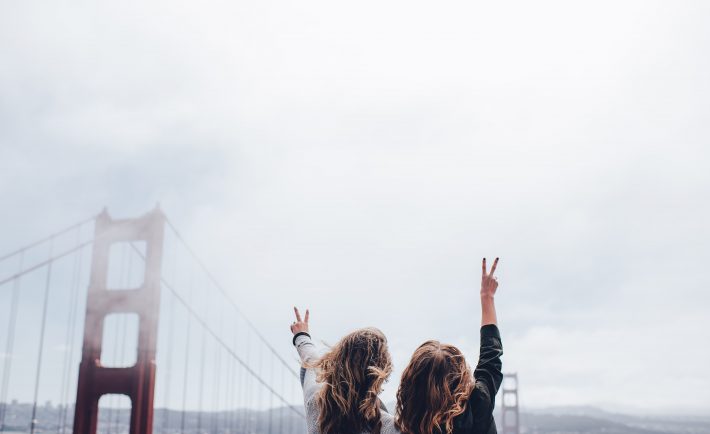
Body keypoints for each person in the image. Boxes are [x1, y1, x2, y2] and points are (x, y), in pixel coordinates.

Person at [395, 258, 504, 434]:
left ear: (412, 383)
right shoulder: (478, 402)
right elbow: (491, 357)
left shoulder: (411, 420)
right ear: (460, 375)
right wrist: (487, 298)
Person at [290, 307, 400, 434]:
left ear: (337, 359)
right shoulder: (389, 427)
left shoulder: (315, 400)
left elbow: (311, 360)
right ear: (380, 376)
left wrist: (301, 335)